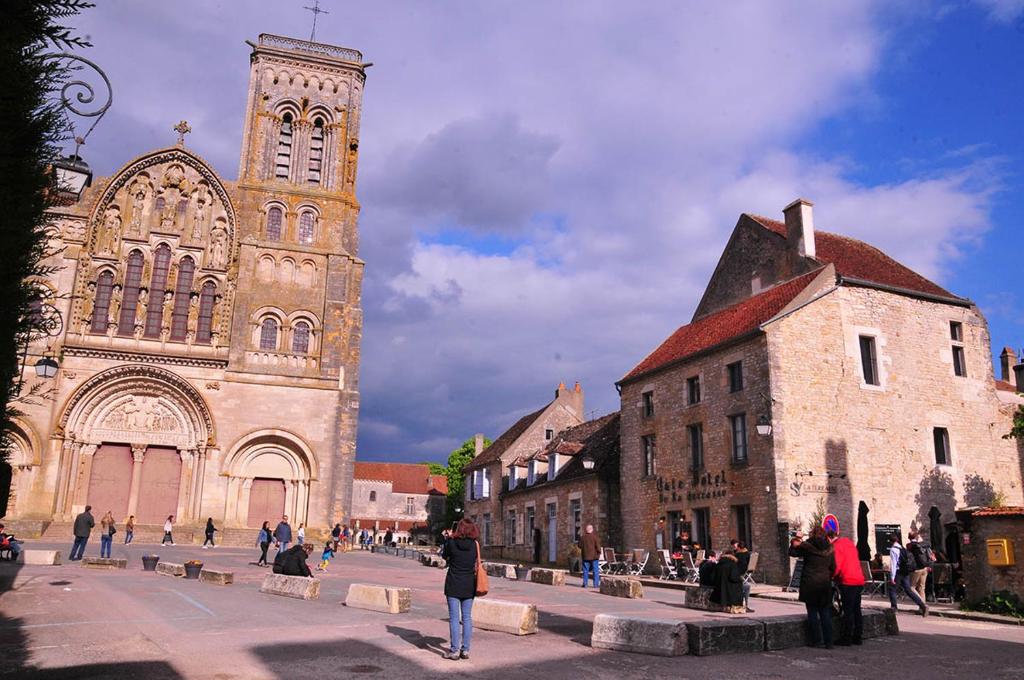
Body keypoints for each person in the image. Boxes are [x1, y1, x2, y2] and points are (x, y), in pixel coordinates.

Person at [789, 527, 836, 648]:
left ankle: (816, 640)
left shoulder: (807, 546)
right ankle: (829, 642)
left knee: (812, 613)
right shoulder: (830, 548)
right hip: (824, 584)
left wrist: (796, 539)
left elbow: (792, 552)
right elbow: (833, 567)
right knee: (825, 613)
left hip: (810, 583)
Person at [440, 518, 479, 661]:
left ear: (459, 529)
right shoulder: (475, 545)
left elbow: (444, 556)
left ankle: (454, 650)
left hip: (453, 583)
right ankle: (466, 650)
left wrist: (447, 538)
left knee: (454, 618)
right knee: (467, 618)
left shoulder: (451, 543)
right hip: (469, 584)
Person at [828, 528, 865, 645]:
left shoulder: (836, 546)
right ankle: (858, 636)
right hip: (858, 578)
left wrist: (831, 576)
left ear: (828, 538)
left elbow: (837, 566)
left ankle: (847, 637)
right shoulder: (849, 543)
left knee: (847, 610)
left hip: (848, 581)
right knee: (856, 609)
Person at [888, 535, 928, 615]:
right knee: (908, 590)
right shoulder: (902, 548)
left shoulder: (893, 549)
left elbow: (893, 563)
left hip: (898, 572)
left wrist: (892, 577)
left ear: (891, 542)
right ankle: (922, 605)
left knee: (892, 589)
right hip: (905, 572)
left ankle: (894, 608)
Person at [907, 531, 931, 603]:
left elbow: (909, 557)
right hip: (925, 568)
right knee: (922, 588)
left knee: (911, 588)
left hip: (916, 569)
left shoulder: (909, 545)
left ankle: (922, 604)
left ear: (909, 537)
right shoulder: (922, 545)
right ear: (916, 536)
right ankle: (923, 607)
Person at [731, 539, 753, 612]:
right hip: (746, 570)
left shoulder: (737, 554)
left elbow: (734, 564)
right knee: (746, 586)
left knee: (744, 586)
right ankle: (745, 605)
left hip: (739, 572)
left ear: (739, 547)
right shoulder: (748, 553)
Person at [579, 524, 601, 589]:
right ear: (592, 530)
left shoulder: (583, 538)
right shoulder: (595, 537)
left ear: (586, 530)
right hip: (594, 557)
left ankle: (585, 584)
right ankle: (595, 584)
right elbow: (598, 548)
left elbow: (579, 545)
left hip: (585, 556)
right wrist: (598, 554)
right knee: (595, 571)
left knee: (585, 570)